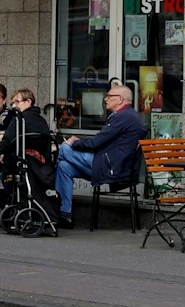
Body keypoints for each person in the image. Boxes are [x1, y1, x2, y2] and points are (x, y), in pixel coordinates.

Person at [52, 82, 145, 229]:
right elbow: (101, 141)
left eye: (109, 96)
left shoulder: (122, 117)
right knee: (64, 167)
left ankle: (46, 192)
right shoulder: (127, 115)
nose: (105, 99)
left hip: (112, 169)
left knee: (63, 149)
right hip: (113, 165)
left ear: (120, 99)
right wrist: (78, 142)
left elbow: (96, 143)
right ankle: (65, 215)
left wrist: (73, 143)